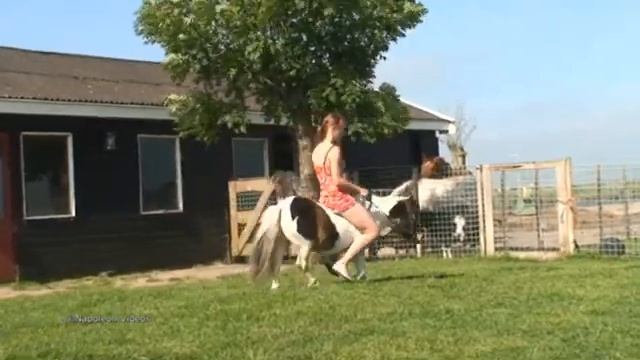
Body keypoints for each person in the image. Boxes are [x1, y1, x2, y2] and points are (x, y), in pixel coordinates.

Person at [311, 112, 380, 280]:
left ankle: (360, 270)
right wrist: (358, 189)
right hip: (338, 198)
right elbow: (337, 181)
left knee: (358, 231)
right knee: (372, 230)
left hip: (324, 198)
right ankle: (342, 263)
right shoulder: (334, 150)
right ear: (333, 128)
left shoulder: (316, 150)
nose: (344, 133)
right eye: (342, 129)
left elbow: (324, 179)